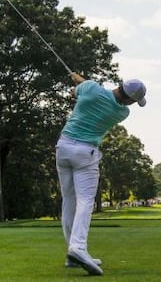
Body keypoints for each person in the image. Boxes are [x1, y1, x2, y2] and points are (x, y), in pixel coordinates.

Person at [55, 72, 146, 275]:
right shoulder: (121, 113)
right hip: (85, 153)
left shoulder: (90, 88)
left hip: (63, 147)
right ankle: (77, 248)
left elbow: (76, 92)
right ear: (130, 100)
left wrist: (80, 81)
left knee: (68, 200)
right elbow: (87, 91)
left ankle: (74, 252)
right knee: (85, 201)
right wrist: (82, 81)